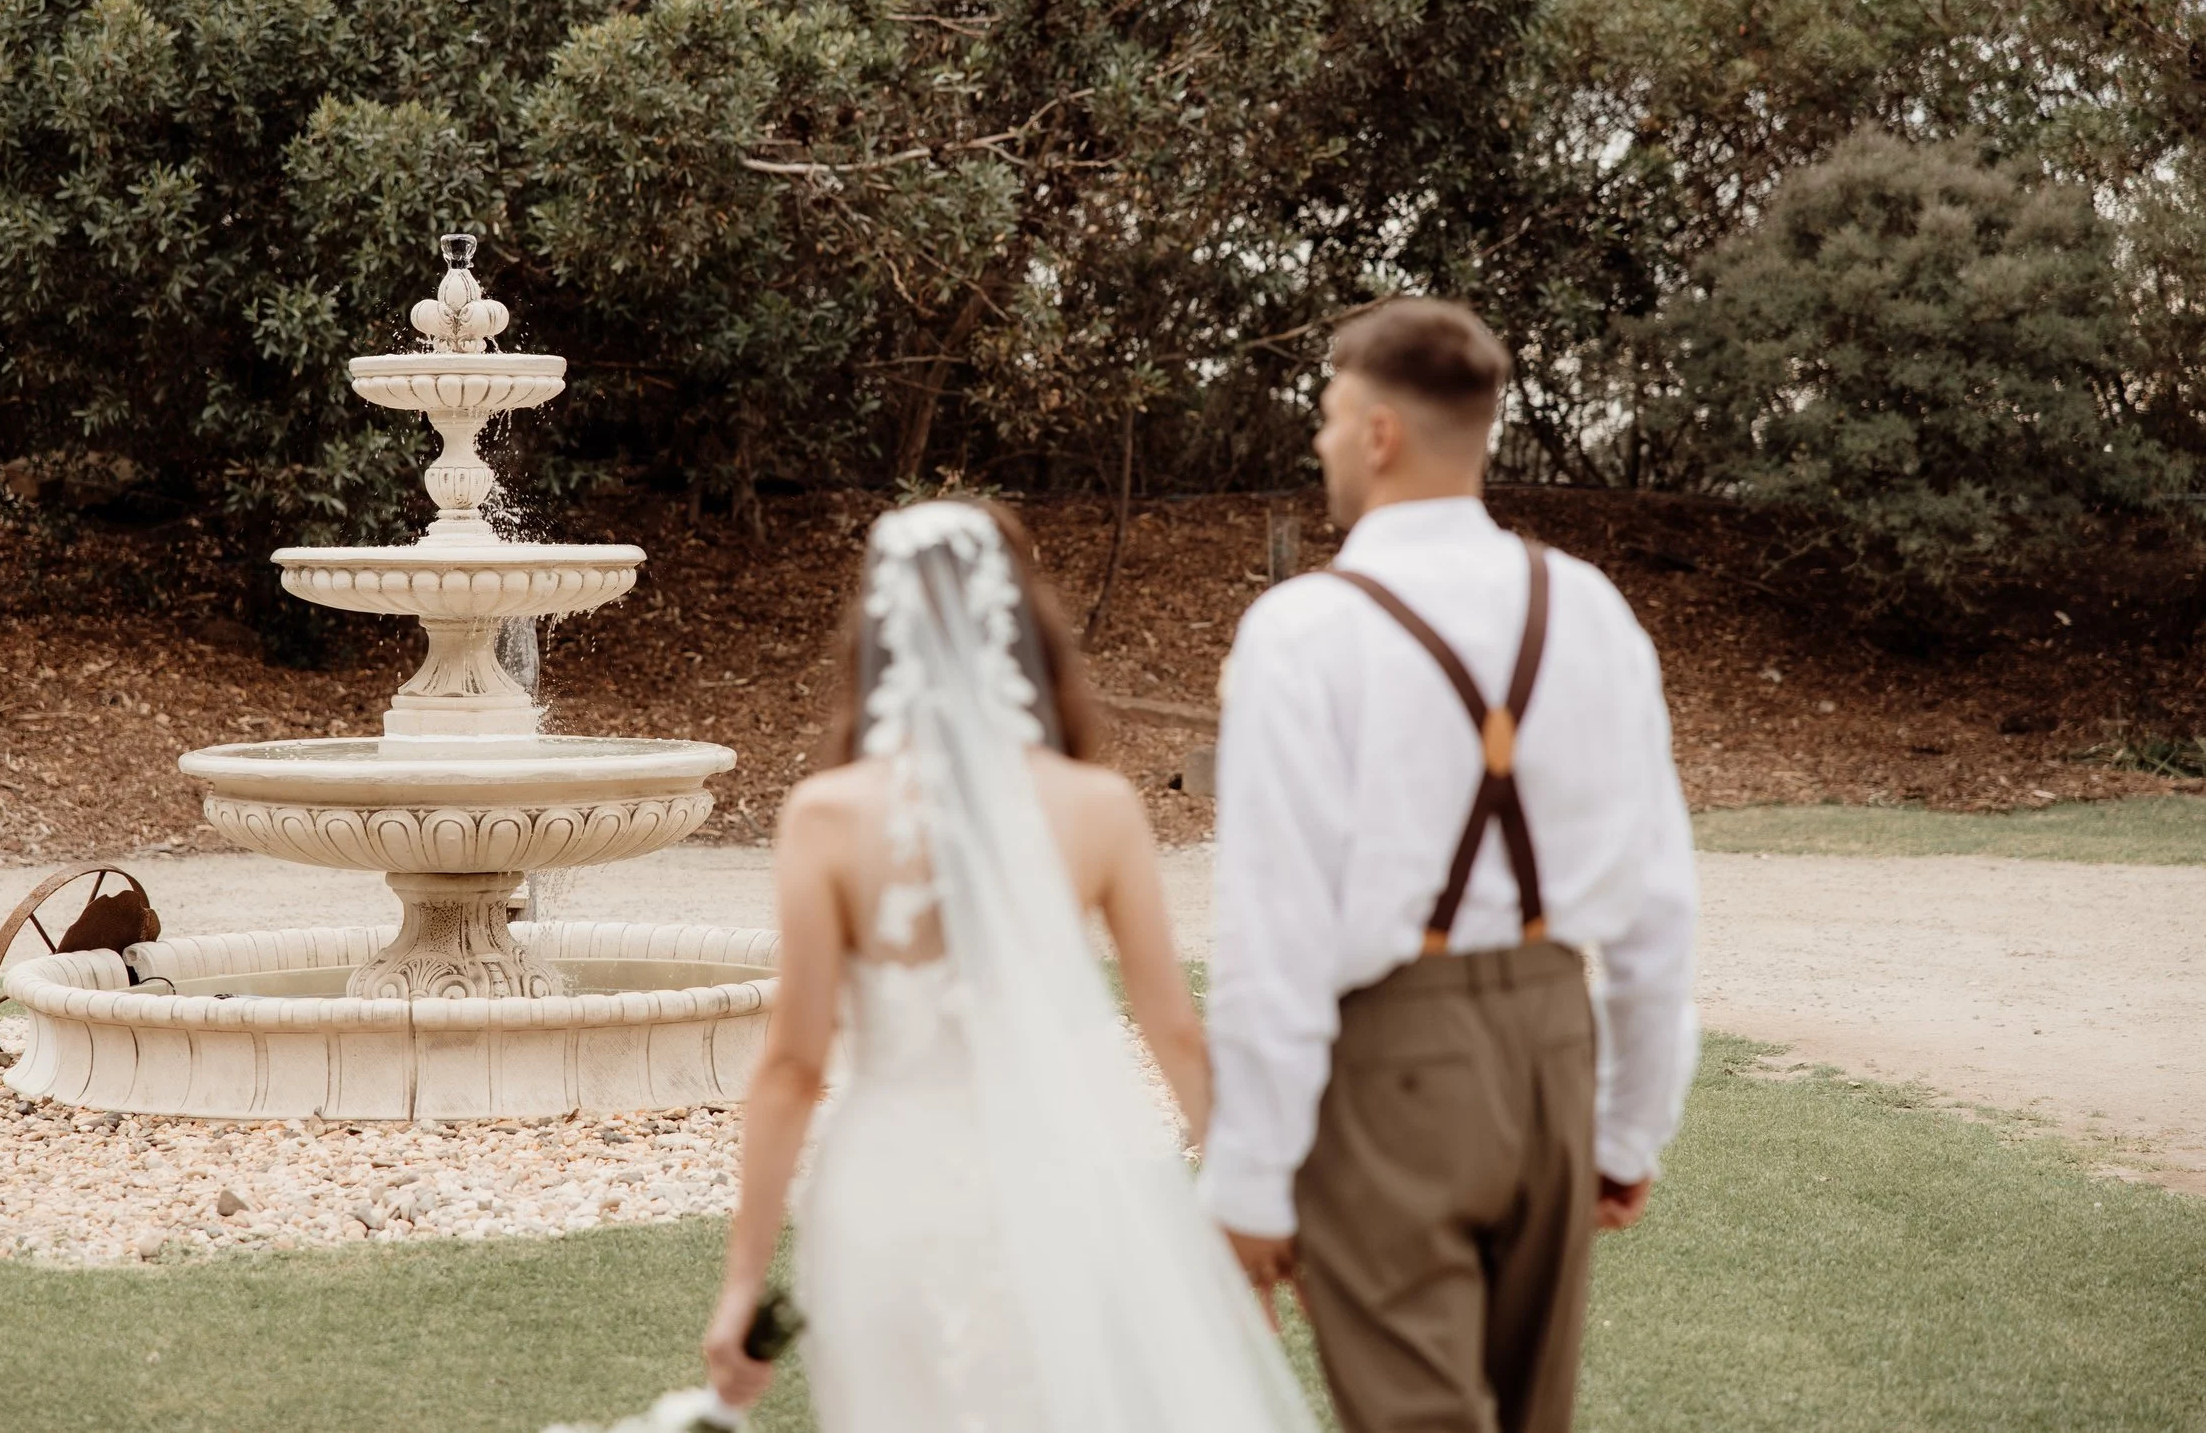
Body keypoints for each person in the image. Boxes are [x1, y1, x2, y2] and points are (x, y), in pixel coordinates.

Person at [702, 499, 1317, 1433]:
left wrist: (744, 1279)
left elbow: (793, 1066)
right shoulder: (1099, 807)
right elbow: (1176, 1031)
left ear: (879, 632)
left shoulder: (825, 817)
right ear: (1017, 625)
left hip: (885, 1196)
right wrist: (1244, 1203)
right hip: (1066, 1185)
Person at [1201, 298, 1699, 1433]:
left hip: (1393, 1064)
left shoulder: (1300, 629)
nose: (1319, 442)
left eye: (1328, 415)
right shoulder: (1591, 607)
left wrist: (1248, 1179)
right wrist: (1624, 1128)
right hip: (1551, 1051)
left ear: (1378, 431)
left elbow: (1273, 934)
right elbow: (1659, 903)